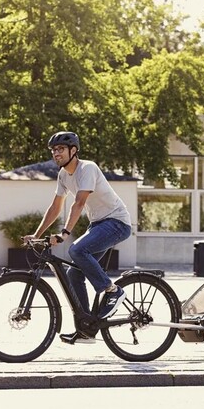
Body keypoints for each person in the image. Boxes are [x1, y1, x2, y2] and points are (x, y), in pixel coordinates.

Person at [24, 131, 132, 345]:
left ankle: (112, 290)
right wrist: (37, 235)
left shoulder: (88, 168)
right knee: (74, 274)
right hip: (98, 224)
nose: (56, 153)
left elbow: (79, 203)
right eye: (54, 150)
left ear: (73, 151)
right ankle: (87, 327)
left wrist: (64, 232)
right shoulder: (63, 176)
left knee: (76, 250)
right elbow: (55, 207)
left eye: (61, 149)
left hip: (117, 222)